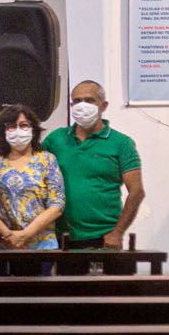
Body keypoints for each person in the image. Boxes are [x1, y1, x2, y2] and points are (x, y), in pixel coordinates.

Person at [43, 81, 146, 251]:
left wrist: (118, 233)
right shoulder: (56, 139)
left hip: (105, 238)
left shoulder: (121, 143)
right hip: (63, 238)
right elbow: (29, 161)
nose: (82, 105)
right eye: (77, 101)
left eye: (89, 100)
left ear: (104, 105)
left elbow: (136, 192)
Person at [0, 103, 66, 255]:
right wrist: (9, 236)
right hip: (1, 244)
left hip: (42, 245)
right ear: (2, 132)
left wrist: (25, 235)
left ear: (34, 129)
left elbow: (57, 204)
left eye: (23, 125)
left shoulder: (47, 160)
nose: (18, 130)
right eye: (11, 126)